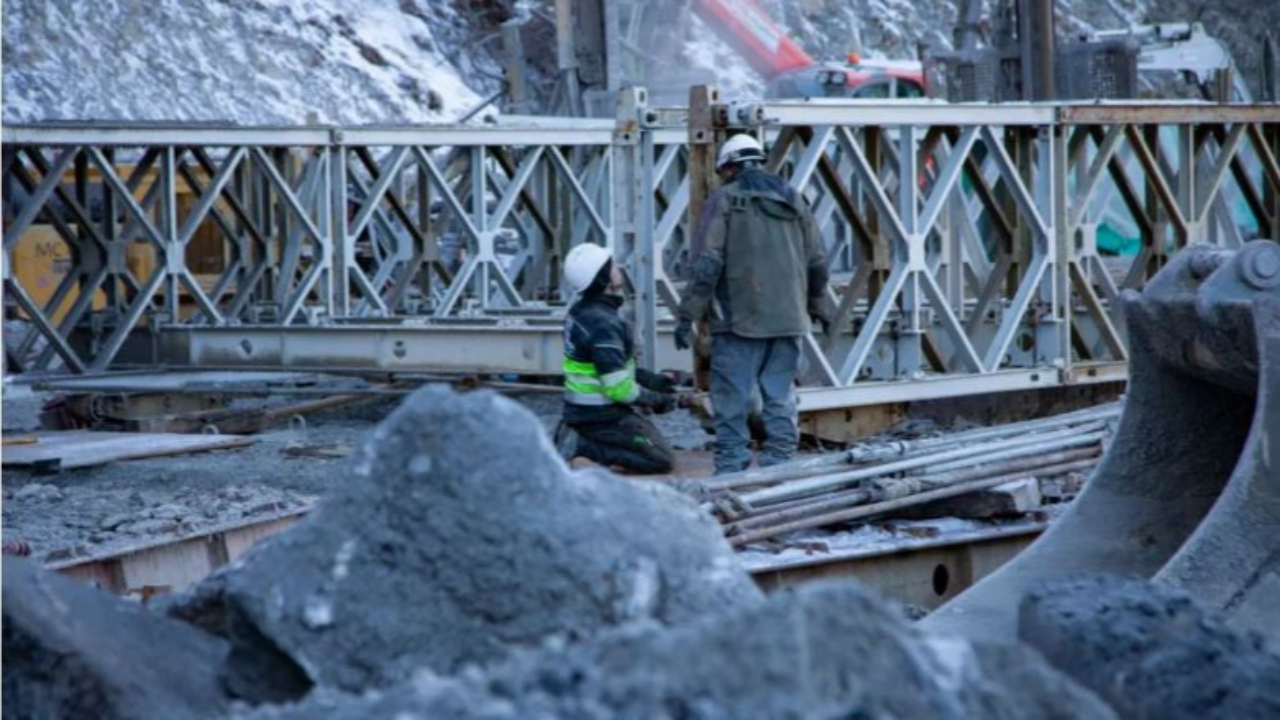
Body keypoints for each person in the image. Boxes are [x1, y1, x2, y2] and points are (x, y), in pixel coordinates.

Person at [675, 134, 830, 474]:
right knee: (780, 397)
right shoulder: (793, 198)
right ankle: (781, 468)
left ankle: (732, 471)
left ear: (728, 168)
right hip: (789, 319)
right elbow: (817, 261)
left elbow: (706, 263)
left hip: (738, 321)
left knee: (731, 400)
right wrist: (819, 307)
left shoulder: (725, 199)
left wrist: (688, 315)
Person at [554, 243, 679, 474]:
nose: (619, 266)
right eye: (611, 266)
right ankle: (584, 446)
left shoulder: (581, 313)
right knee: (658, 458)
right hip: (602, 417)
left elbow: (608, 368)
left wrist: (652, 380)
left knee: (648, 441)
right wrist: (656, 400)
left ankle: (580, 437)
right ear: (602, 279)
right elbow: (618, 390)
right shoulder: (604, 325)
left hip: (582, 411)